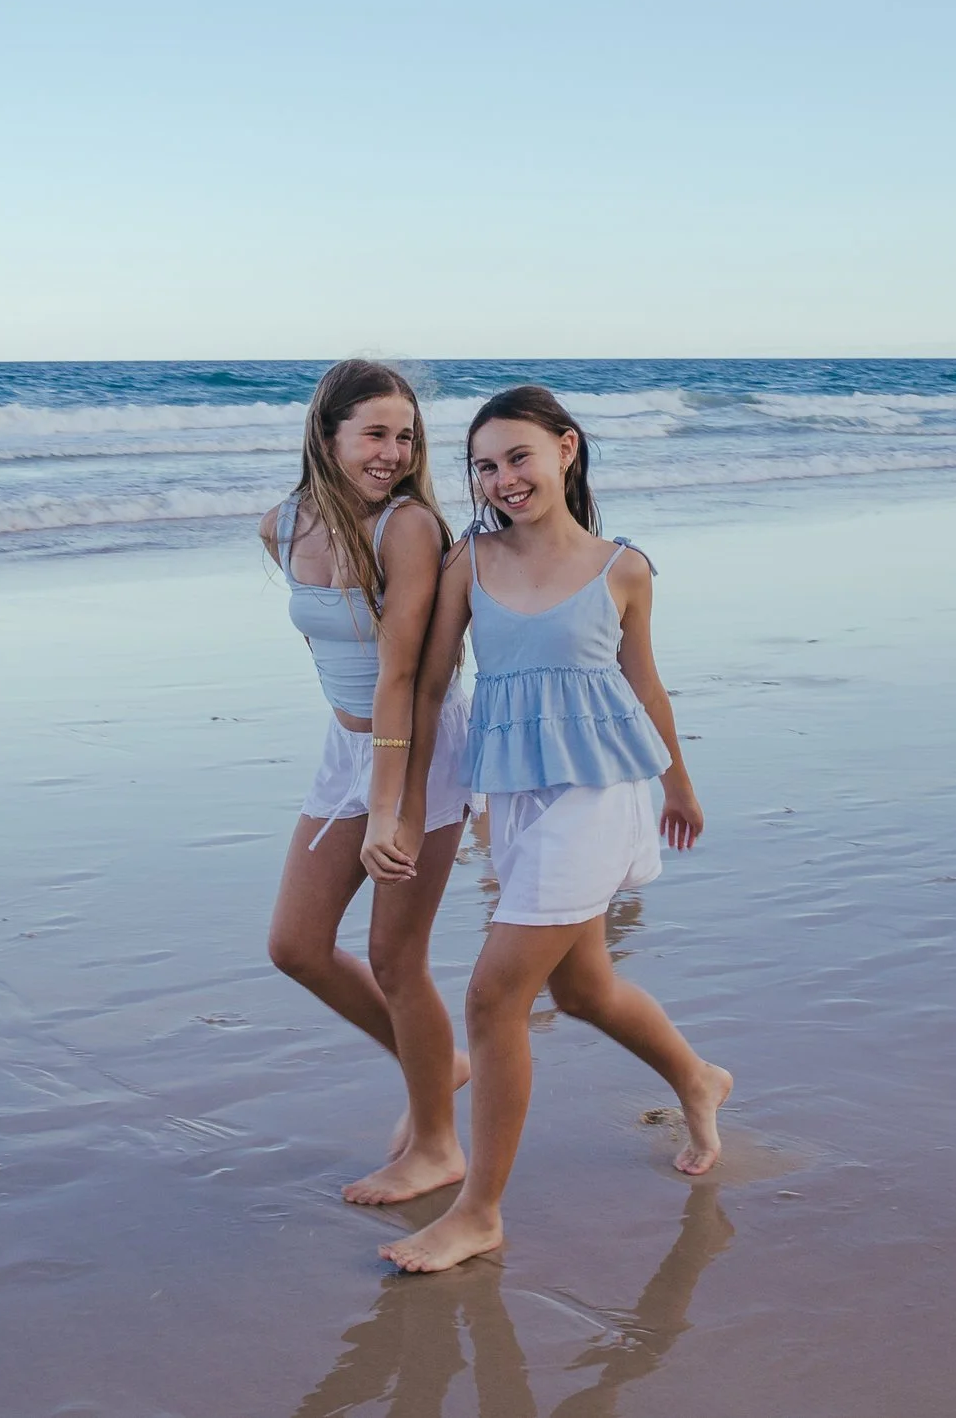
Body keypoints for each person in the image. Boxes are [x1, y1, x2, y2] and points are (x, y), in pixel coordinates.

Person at [379, 384, 730, 1274]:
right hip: (519, 802)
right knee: (582, 993)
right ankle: (698, 1079)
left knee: (495, 996)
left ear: (566, 449)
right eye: (485, 466)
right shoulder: (470, 561)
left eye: (519, 457)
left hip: (601, 795)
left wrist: (679, 784)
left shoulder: (623, 568)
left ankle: (480, 1210)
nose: (503, 479)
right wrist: (418, 801)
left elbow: (646, 687)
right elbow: (427, 687)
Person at [260, 359, 478, 1206]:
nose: (394, 452)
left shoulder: (409, 528)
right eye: (376, 434)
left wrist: (392, 805)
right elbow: (328, 651)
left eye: (406, 436)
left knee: (395, 956)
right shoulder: (279, 527)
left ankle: (436, 1145)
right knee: (296, 947)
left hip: (420, 748)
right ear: (328, 434)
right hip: (344, 748)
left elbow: (401, 676)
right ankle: (438, 1062)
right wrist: (352, 758)